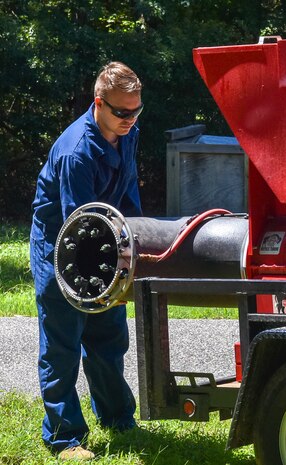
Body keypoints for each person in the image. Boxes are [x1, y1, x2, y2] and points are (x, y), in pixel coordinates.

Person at [30, 62, 144, 460]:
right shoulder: (77, 152)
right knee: (63, 343)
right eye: (122, 112)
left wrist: (133, 257)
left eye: (136, 111)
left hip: (105, 241)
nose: (130, 120)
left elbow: (128, 199)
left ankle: (117, 419)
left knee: (109, 336)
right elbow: (77, 229)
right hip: (63, 246)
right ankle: (63, 438)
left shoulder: (126, 133)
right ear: (99, 104)